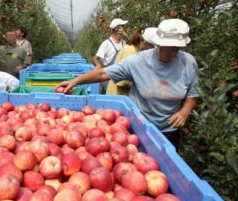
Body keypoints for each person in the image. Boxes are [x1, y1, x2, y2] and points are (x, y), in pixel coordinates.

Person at [56, 19, 199, 152]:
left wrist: (184, 111)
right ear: (157, 43)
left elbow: (193, 94)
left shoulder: (188, 63)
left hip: (169, 130)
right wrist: (75, 81)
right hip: (139, 127)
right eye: (164, 46)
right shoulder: (139, 61)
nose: (168, 51)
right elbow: (103, 74)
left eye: (174, 48)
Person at [106, 27, 158, 95]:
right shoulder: (130, 51)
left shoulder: (137, 52)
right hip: (117, 97)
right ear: (145, 42)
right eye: (152, 47)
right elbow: (123, 81)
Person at [92, 18, 127, 94]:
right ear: (116, 28)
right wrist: (98, 65)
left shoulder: (123, 43)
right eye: (122, 26)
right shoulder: (107, 43)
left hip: (120, 77)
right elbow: (95, 58)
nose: (123, 28)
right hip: (108, 77)